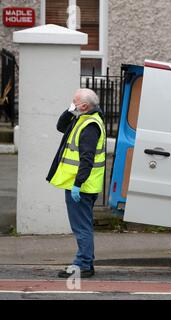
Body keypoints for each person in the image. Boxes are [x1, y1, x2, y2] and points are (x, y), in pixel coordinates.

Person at [46, 88, 106, 278]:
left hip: (82, 187)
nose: (72, 103)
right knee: (83, 225)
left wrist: (78, 184)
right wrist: (70, 110)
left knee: (81, 227)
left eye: (75, 101)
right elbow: (60, 126)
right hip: (81, 185)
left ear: (85, 106)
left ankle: (83, 265)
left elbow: (87, 159)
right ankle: (86, 260)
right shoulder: (82, 118)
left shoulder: (89, 126)